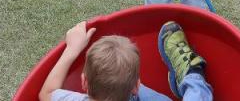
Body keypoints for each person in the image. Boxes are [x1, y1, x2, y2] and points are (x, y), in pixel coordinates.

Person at [39, 21, 213, 101]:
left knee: (121, 83)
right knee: (196, 93)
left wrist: (71, 50)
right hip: (132, 94)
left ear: (84, 82)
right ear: (137, 85)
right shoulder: (135, 88)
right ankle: (193, 75)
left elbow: (46, 93)